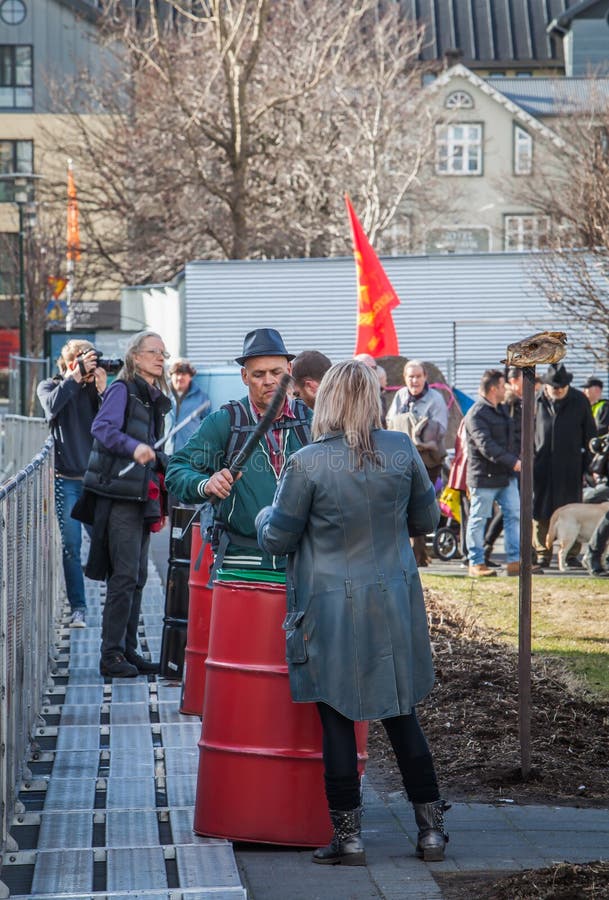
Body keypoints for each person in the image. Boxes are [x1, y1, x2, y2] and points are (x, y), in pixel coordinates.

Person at [256, 361, 448, 866]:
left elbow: (277, 538)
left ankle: (350, 838)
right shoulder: (402, 450)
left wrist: (259, 515)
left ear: (328, 400)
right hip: (393, 603)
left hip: (330, 609)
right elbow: (426, 520)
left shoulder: (306, 462)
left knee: (337, 719)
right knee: (403, 714)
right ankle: (431, 833)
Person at [165, 328, 311, 575]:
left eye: (276, 372)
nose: (269, 381)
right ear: (244, 376)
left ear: (289, 371)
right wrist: (206, 484)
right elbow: (177, 470)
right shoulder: (224, 422)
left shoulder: (310, 421)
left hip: (302, 564)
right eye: (258, 374)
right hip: (242, 563)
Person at [79, 331, 172, 677]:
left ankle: (128, 650)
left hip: (140, 496)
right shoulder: (122, 389)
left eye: (163, 353)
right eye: (153, 352)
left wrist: (162, 459)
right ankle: (111, 655)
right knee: (123, 576)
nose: (161, 358)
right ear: (135, 357)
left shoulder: (151, 398)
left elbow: (149, 446)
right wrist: (134, 448)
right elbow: (102, 428)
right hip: (119, 497)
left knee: (137, 576)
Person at [37, 340, 107, 628]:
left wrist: (103, 391)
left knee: (109, 542)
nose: (87, 364)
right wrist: (74, 377)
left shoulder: (94, 389)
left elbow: (114, 423)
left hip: (96, 482)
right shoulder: (50, 386)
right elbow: (51, 408)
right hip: (66, 482)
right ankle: (79, 608)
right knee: (71, 547)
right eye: (80, 359)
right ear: (68, 363)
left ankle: (116, 605)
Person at [533, 363, 597, 569]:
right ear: (546, 386)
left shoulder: (579, 401)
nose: (558, 390)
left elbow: (590, 436)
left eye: (561, 387)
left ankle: (570, 554)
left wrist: (590, 466)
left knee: (573, 510)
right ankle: (543, 552)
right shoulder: (537, 401)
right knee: (540, 511)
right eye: (554, 387)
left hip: (570, 466)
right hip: (541, 466)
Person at [387, 360, 448, 565]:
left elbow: (437, 432)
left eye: (418, 376)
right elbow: (390, 423)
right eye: (410, 376)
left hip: (428, 462)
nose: (414, 380)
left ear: (425, 377)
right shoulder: (400, 396)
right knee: (404, 504)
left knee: (421, 504)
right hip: (403, 460)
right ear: (405, 378)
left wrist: (413, 430)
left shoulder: (435, 399)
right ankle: (416, 555)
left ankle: (419, 554)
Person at [464, 369, 521, 577]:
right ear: (493, 388)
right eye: (503, 385)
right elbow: (485, 446)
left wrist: (515, 458)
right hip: (483, 478)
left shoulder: (502, 409)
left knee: (514, 515)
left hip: (505, 476)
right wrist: (513, 462)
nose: (506, 388)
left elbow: (511, 439)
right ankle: (476, 562)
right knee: (479, 519)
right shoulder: (476, 413)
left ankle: (515, 561)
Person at [483, 365, 523, 568]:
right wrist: (514, 458)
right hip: (504, 465)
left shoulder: (510, 402)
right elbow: (505, 437)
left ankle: (514, 558)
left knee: (513, 511)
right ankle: (483, 550)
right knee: (498, 513)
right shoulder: (509, 402)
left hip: (511, 464)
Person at [165, 359, 210, 453]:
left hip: (189, 454)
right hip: (165, 453)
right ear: (170, 375)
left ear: (190, 376)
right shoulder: (162, 396)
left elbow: (207, 427)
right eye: (177, 373)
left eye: (184, 374)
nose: (180, 377)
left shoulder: (202, 398)